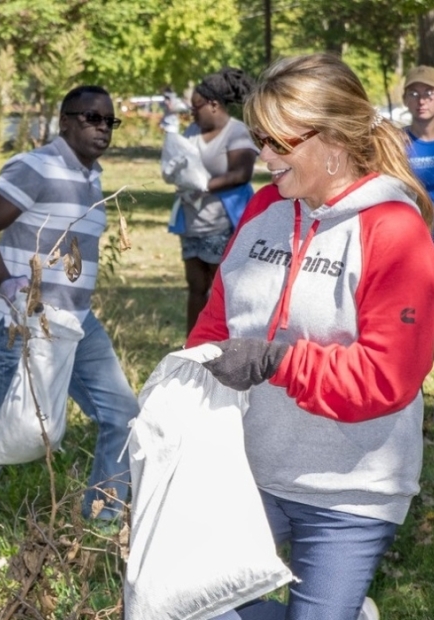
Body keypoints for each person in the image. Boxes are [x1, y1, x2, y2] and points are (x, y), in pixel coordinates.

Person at [189, 53, 434, 620]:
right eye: (257, 138)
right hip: (247, 468)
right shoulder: (264, 207)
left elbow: (387, 379)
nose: (264, 156)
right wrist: (185, 386)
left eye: (278, 141)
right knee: (180, 602)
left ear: (332, 141)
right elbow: (216, 324)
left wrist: (275, 361)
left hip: (349, 489)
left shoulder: (394, 228)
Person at [0, 85, 140, 547]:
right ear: (65, 121)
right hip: (25, 324)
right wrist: (8, 285)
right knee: (6, 437)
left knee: (122, 414)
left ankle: (99, 524)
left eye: (109, 121)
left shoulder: (93, 176)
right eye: (91, 118)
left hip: (78, 323)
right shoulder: (34, 167)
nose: (102, 129)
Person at [173, 68, 259, 334]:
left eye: (196, 107)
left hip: (225, 222)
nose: (192, 113)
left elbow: (241, 174)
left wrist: (204, 185)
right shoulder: (191, 131)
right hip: (192, 221)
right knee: (195, 287)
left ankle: (223, 344)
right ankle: (191, 345)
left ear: (214, 104)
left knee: (223, 290)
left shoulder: (237, 133)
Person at [403, 65, 434, 200]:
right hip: (413, 218)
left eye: (428, 93)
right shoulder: (394, 143)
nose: (421, 101)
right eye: (414, 94)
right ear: (405, 99)